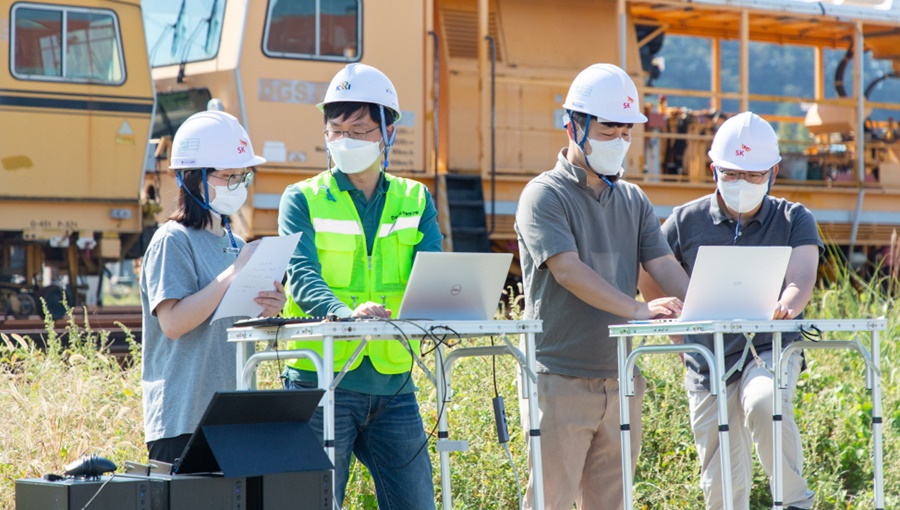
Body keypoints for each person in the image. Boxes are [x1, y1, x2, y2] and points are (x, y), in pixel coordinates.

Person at [514, 63, 689, 510]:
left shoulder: (633, 199)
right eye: (609, 129)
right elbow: (568, 270)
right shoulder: (544, 195)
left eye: (626, 132)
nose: (620, 140)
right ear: (574, 126)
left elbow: (663, 264)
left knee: (612, 503)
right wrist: (637, 310)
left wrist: (707, 307)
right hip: (559, 376)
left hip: (621, 380)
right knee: (549, 502)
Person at [278, 63, 442, 509]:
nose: (345, 141)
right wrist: (345, 314)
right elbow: (303, 275)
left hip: (393, 384)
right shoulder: (302, 198)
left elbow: (436, 275)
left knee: (417, 504)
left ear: (389, 132)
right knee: (312, 503)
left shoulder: (416, 198)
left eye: (361, 129)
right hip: (322, 381)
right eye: (336, 130)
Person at [639, 111, 822, 510]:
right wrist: (677, 332)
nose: (744, 184)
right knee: (721, 482)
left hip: (769, 346)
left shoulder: (794, 217)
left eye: (755, 175)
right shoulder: (685, 221)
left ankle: (793, 502)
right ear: (714, 169)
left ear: (773, 172)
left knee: (763, 401)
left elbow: (802, 275)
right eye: (733, 174)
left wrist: (787, 306)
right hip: (707, 359)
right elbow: (649, 270)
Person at [140, 110, 286, 463]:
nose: (238, 184)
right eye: (229, 176)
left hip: (233, 416)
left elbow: (234, 328)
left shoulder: (235, 243)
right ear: (193, 179)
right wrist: (232, 274)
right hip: (183, 419)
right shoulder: (172, 240)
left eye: (243, 176)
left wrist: (270, 309)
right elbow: (173, 324)